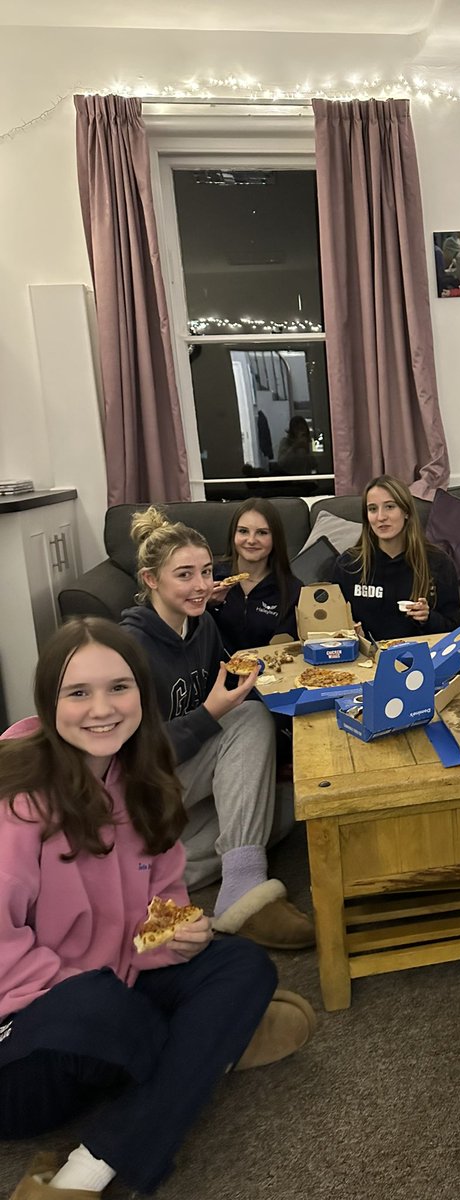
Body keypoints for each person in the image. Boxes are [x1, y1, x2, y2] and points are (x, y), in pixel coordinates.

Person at [0, 618, 316, 1199]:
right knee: (100, 1004)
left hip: (115, 999)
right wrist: (93, 988)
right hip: (26, 1046)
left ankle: (86, 1169)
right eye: (78, 692)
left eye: (119, 688)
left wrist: (177, 935)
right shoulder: (17, 795)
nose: (102, 708)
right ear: (49, 703)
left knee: (243, 964)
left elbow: (159, 907)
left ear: (142, 695)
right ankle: (205, 1049)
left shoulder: (144, 779)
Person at [120, 506, 314, 950]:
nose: (202, 585)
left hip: (185, 780)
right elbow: (130, 756)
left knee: (287, 805)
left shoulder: (202, 624)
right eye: (184, 575)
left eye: (207, 572)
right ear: (151, 579)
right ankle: (243, 887)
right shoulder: (130, 646)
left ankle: (151, 873)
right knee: (245, 717)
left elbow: (220, 692)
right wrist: (211, 712)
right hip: (142, 788)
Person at [332, 475, 460, 641]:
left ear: (406, 512)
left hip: (421, 657)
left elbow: (453, 629)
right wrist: (352, 635)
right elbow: (333, 626)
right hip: (365, 660)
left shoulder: (438, 562)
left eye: (390, 507)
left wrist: (428, 618)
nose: (380, 517)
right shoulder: (349, 564)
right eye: (372, 509)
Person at [208, 499, 302, 653]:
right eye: (243, 531)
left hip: (269, 673)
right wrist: (207, 605)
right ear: (233, 534)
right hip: (215, 672)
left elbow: (288, 648)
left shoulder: (293, 590)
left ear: (275, 539)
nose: (251, 540)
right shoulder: (210, 576)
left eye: (262, 533)